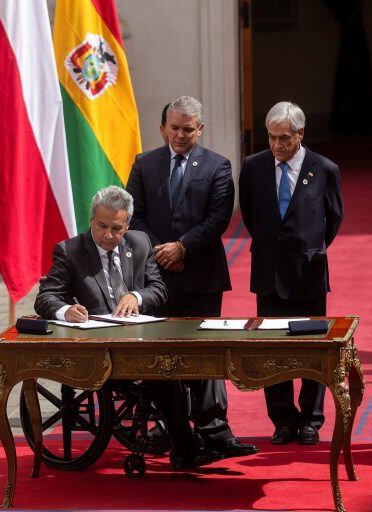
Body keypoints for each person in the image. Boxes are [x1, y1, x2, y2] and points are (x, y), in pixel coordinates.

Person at [35, 185, 221, 469]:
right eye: (102, 226)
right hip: (101, 350)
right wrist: (66, 310)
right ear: (92, 219)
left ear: (128, 225)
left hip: (141, 336)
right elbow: (45, 297)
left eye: (117, 228)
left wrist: (137, 296)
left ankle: (216, 433)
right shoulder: (69, 251)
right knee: (164, 370)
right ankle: (186, 448)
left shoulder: (140, 243)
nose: (109, 235)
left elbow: (159, 289)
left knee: (202, 357)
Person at [126, 96, 257, 459]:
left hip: (201, 274)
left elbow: (218, 218)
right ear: (163, 127)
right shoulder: (145, 164)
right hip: (156, 276)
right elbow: (133, 217)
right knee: (164, 354)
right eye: (175, 128)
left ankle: (215, 431)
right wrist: (162, 252)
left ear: (200, 129)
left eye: (188, 129)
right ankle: (173, 431)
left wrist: (182, 248)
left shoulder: (217, 165)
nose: (180, 135)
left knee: (206, 353)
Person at [239, 101, 344, 445]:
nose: (277, 145)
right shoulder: (253, 167)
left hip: (308, 271)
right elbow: (252, 218)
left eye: (284, 138)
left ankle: (311, 419)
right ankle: (282, 419)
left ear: (301, 134)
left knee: (312, 347)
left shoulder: (324, 168)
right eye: (271, 138)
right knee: (271, 349)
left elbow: (333, 218)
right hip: (269, 270)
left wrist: (307, 246)